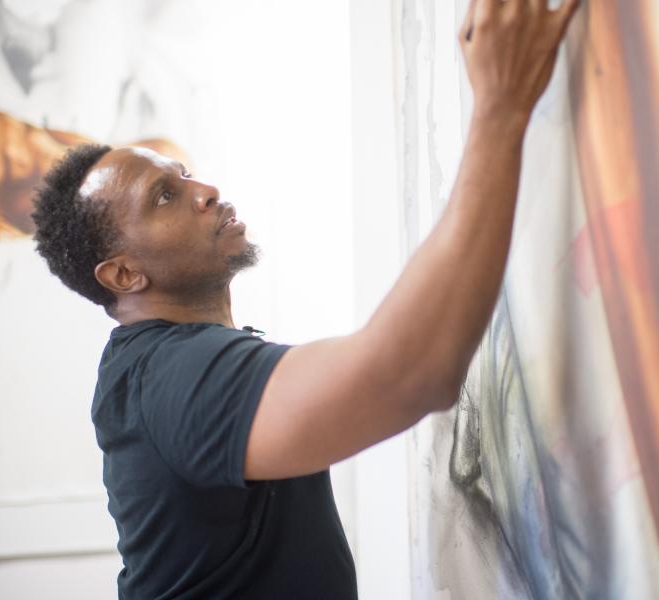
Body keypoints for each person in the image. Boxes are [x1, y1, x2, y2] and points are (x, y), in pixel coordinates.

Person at [31, 0, 580, 597]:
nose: (205, 190)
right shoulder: (172, 375)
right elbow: (410, 375)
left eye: (184, 172)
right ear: (124, 275)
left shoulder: (172, 364)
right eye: (164, 196)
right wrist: (499, 109)